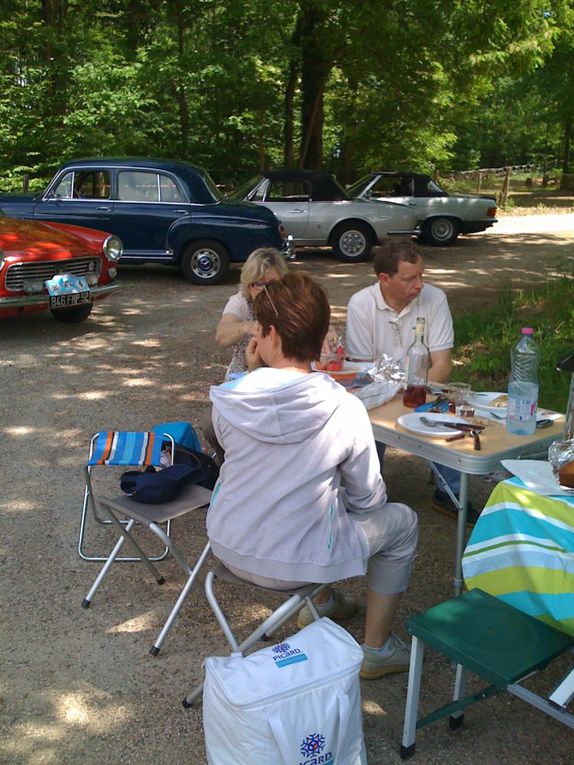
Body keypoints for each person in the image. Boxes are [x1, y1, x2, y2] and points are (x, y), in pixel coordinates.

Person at [206, 271, 418, 679]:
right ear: (321, 338)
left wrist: (251, 372)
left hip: (228, 543)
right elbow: (370, 500)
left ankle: (321, 604)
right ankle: (376, 648)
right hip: (295, 560)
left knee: (308, 496)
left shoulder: (229, 400)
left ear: (265, 334)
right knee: (402, 522)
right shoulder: (344, 408)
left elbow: (255, 465)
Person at [345, 238, 478, 525]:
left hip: (423, 386)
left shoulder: (434, 298)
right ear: (384, 279)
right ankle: (368, 492)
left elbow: (443, 364)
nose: (419, 285)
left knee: (449, 413)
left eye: (421, 275)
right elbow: (360, 371)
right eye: (409, 279)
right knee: (361, 421)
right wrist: (393, 395)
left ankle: (450, 493)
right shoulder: (361, 304)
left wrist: (416, 391)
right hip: (376, 392)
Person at [215, 247, 289, 381]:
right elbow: (221, 336)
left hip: (283, 377)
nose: (266, 291)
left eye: (272, 283)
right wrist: (245, 327)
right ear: (249, 285)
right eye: (259, 284)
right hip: (243, 377)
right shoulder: (240, 301)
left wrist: (326, 331)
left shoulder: (289, 300)